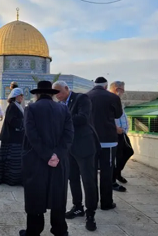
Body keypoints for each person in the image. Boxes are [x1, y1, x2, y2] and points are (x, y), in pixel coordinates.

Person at [20, 80, 73, 236]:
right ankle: (60, 230)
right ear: (52, 94)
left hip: (37, 160)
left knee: (36, 194)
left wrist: (46, 155)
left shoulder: (31, 109)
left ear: (37, 94)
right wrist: (57, 155)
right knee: (58, 194)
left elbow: (32, 135)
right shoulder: (64, 109)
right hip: (59, 161)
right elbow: (69, 135)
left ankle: (34, 230)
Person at [53, 81, 98, 232]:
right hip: (69, 148)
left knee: (88, 180)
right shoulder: (59, 104)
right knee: (73, 178)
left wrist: (62, 120)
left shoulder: (81, 99)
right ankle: (78, 206)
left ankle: (90, 214)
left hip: (84, 146)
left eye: (59, 91)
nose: (57, 95)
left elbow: (83, 118)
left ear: (66, 88)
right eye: (54, 93)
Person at [86, 77, 123, 211]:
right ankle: (106, 203)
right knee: (106, 173)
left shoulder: (86, 96)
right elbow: (118, 115)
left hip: (90, 141)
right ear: (106, 86)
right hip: (108, 141)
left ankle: (92, 202)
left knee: (91, 173)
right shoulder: (113, 97)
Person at [0, 88, 24, 186]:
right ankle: (11, 179)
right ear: (16, 96)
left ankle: (14, 178)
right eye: (21, 95)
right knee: (11, 158)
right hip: (11, 137)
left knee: (14, 159)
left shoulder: (17, 106)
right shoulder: (12, 106)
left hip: (15, 137)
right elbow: (12, 121)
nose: (22, 97)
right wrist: (23, 124)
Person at [109, 81, 134, 193]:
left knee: (128, 151)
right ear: (116, 88)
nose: (123, 92)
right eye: (122, 89)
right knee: (117, 157)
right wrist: (115, 128)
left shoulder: (117, 99)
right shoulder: (109, 99)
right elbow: (107, 116)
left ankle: (117, 173)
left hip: (122, 133)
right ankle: (113, 179)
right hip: (115, 133)